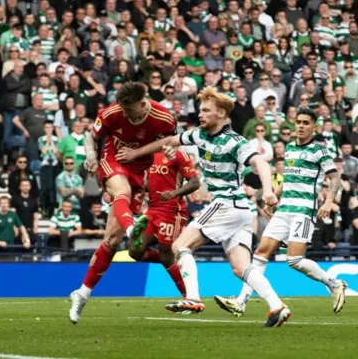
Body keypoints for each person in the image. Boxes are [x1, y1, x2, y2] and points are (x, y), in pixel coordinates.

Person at [116, 87, 290, 327]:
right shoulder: (198, 135)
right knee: (241, 268)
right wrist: (136, 153)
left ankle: (193, 298)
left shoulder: (234, 142)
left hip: (226, 204)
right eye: (200, 109)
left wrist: (268, 190)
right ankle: (277, 306)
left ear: (221, 113)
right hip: (240, 211)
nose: (201, 113)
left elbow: (259, 161)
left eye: (206, 110)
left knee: (179, 245)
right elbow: (168, 141)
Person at [216, 108, 347, 316]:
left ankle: (333, 284)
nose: (301, 126)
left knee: (294, 260)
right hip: (284, 209)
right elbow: (290, 179)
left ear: (314, 127)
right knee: (260, 254)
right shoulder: (291, 148)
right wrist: (273, 197)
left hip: (303, 211)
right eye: (298, 122)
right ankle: (241, 301)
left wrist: (328, 201)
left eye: (306, 123)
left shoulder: (319, 151)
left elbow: (335, 177)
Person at [68, 81, 176, 324]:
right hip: (112, 160)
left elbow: (169, 142)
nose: (125, 113)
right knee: (121, 192)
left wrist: (140, 154)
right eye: (122, 109)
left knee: (111, 241)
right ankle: (132, 229)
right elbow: (90, 137)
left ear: (142, 102)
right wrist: (90, 155)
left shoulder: (163, 117)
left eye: (130, 109)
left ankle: (82, 293)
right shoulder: (111, 112)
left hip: (141, 169)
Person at [128, 147, 200, 298]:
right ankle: (170, 260)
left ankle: (189, 296)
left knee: (166, 255)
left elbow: (194, 183)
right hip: (153, 209)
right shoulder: (150, 154)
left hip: (172, 210)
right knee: (134, 250)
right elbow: (152, 183)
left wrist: (174, 193)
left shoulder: (179, 154)